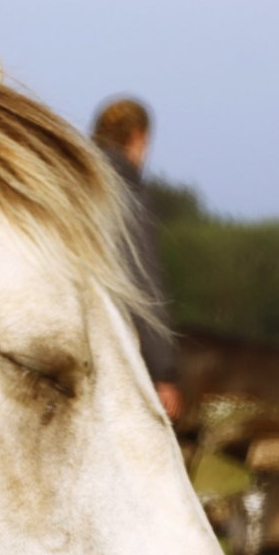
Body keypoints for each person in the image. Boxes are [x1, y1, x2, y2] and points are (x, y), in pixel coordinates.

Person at [91, 96, 181, 422]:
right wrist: (164, 373)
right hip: (111, 347)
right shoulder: (126, 192)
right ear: (139, 137)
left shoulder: (71, 183)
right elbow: (144, 281)